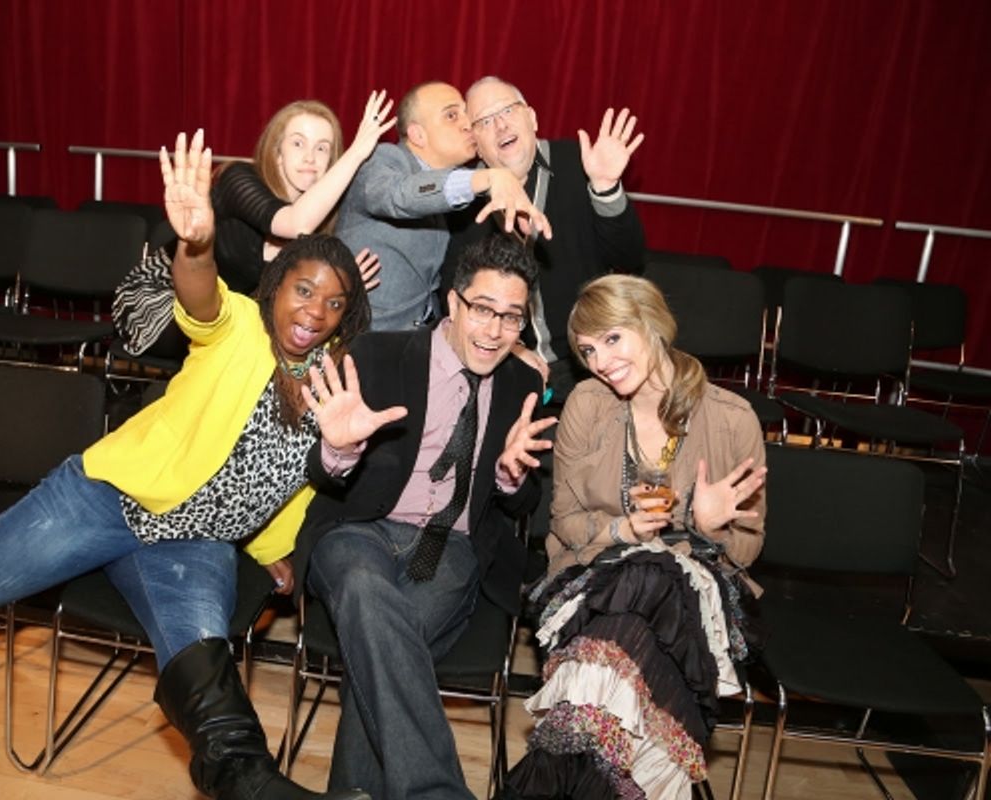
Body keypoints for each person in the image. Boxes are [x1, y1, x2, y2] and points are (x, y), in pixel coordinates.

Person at [0, 130, 386, 800]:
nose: (315, 312)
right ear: (275, 288)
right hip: (110, 497)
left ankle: (253, 783)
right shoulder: (241, 327)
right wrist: (195, 242)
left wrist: (278, 549)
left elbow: (292, 488)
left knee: (202, 664)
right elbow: (199, 298)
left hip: (193, 541)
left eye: (332, 303)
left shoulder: (332, 384)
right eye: (304, 291)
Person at [288, 233, 560, 800]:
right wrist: (337, 449)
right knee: (365, 590)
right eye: (483, 310)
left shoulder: (524, 385)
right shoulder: (377, 354)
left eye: (511, 319)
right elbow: (324, 475)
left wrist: (513, 476)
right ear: (453, 303)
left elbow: (523, 504)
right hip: (357, 530)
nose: (494, 331)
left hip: (451, 546)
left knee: (384, 648)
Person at [500, 275, 766, 800]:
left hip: (690, 606)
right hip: (589, 590)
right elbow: (564, 524)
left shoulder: (732, 418)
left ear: (650, 323)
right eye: (589, 350)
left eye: (613, 339)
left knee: (653, 571)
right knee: (638, 573)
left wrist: (706, 525)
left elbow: (749, 549)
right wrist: (621, 530)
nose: (601, 361)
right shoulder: (586, 404)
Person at [115, 92, 395, 359]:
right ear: (277, 154)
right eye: (298, 143)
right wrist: (358, 151)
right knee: (250, 345)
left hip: (234, 321)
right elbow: (296, 223)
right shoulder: (238, 178)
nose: (310, 157)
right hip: (162, 299)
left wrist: (338, 283)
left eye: (322, 148)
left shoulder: (327, 221)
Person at [443, 76, 647, 402]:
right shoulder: (464, 197)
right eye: (485, 121)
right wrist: (512, 349)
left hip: (590, 362)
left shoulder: (580, 163)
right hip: (503, 365)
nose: (500, 126)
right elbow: (452, 294)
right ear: (475, 143)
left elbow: (629, 261)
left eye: (508, 111)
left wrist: (605, 187)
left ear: (532, 118)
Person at [334, 80, 552, 332]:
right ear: (418, 134)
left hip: (420, 344)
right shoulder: (385, 159)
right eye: (451, 115)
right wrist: (488, 177)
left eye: (467, 115)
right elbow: (399, 194)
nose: (467, 124)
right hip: (362, 339)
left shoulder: (455, 193)